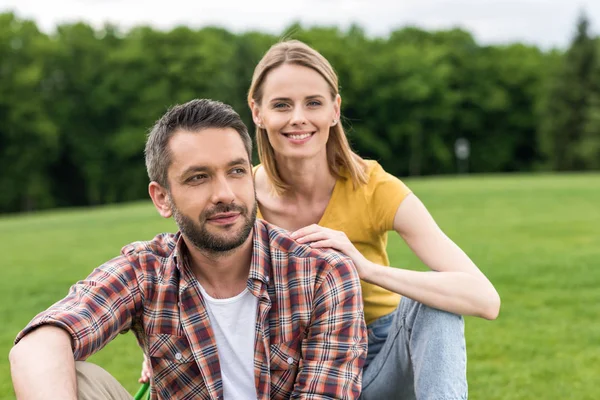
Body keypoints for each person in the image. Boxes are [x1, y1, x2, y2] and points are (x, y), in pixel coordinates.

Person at [9, 99, 367, 400]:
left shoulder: (322, 273)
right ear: (162, 198)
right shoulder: (146, 269)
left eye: (237, 171)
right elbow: (38, 343)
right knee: (78, 378)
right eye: (198, 177)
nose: (224, 193)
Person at [246, 40, 501, 399]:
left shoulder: (373, 187)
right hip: (291, 373)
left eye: (314, 103)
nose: (298, 118)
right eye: (281, 105)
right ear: (257, 112)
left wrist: (367, 269)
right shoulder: (239, 201)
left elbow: (485, 300)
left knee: (434, 303)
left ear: (335, 110)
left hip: (379, 359)